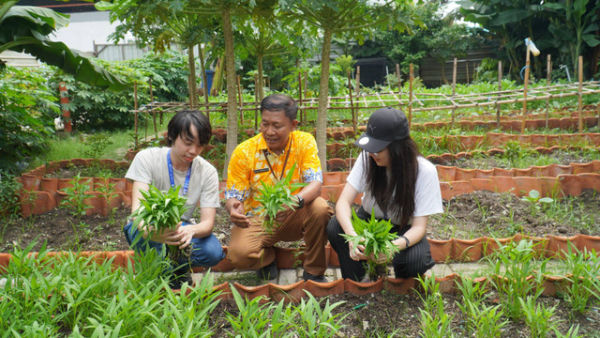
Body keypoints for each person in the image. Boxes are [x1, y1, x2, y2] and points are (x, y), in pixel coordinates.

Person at [327, 107, 443, 281]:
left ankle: (401, 284)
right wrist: (353, 237)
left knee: (415, 261)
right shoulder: (367, 158)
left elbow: (419, 227)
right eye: (371, 147)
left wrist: (391, 247)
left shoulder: (424, 171)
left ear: (398, 148)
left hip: (402, 228)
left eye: (379, 149)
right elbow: (343, 203)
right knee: (336, 227)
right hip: (370, 223)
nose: (373, 153)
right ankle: (358, 281)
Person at [225, 93, 332, 282]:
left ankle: (314, 271)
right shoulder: (244, 151)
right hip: (259, 218)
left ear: (293, 125)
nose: (269, 131)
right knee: (238, 255)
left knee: (320, 208)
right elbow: (234, 194)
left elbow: (315, 184)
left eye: (277, 125)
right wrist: (233, 206)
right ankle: (267, 258)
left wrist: (294, 202)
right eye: (265, 124)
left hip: (295, 212)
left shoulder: (304, 142)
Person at [123, 110, 225, 288]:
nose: (193, 151)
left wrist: (191, 231)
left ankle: (177, 268)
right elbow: (137, 214)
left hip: (181, 227)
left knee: (213, 252)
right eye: (188, 143)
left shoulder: (207, 171)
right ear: (172, 136)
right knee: (141, 235)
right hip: (148, 226)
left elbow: (207, 224)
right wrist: (157, 233)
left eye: (200, 145)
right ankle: (159, 273)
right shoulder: (147, 159)